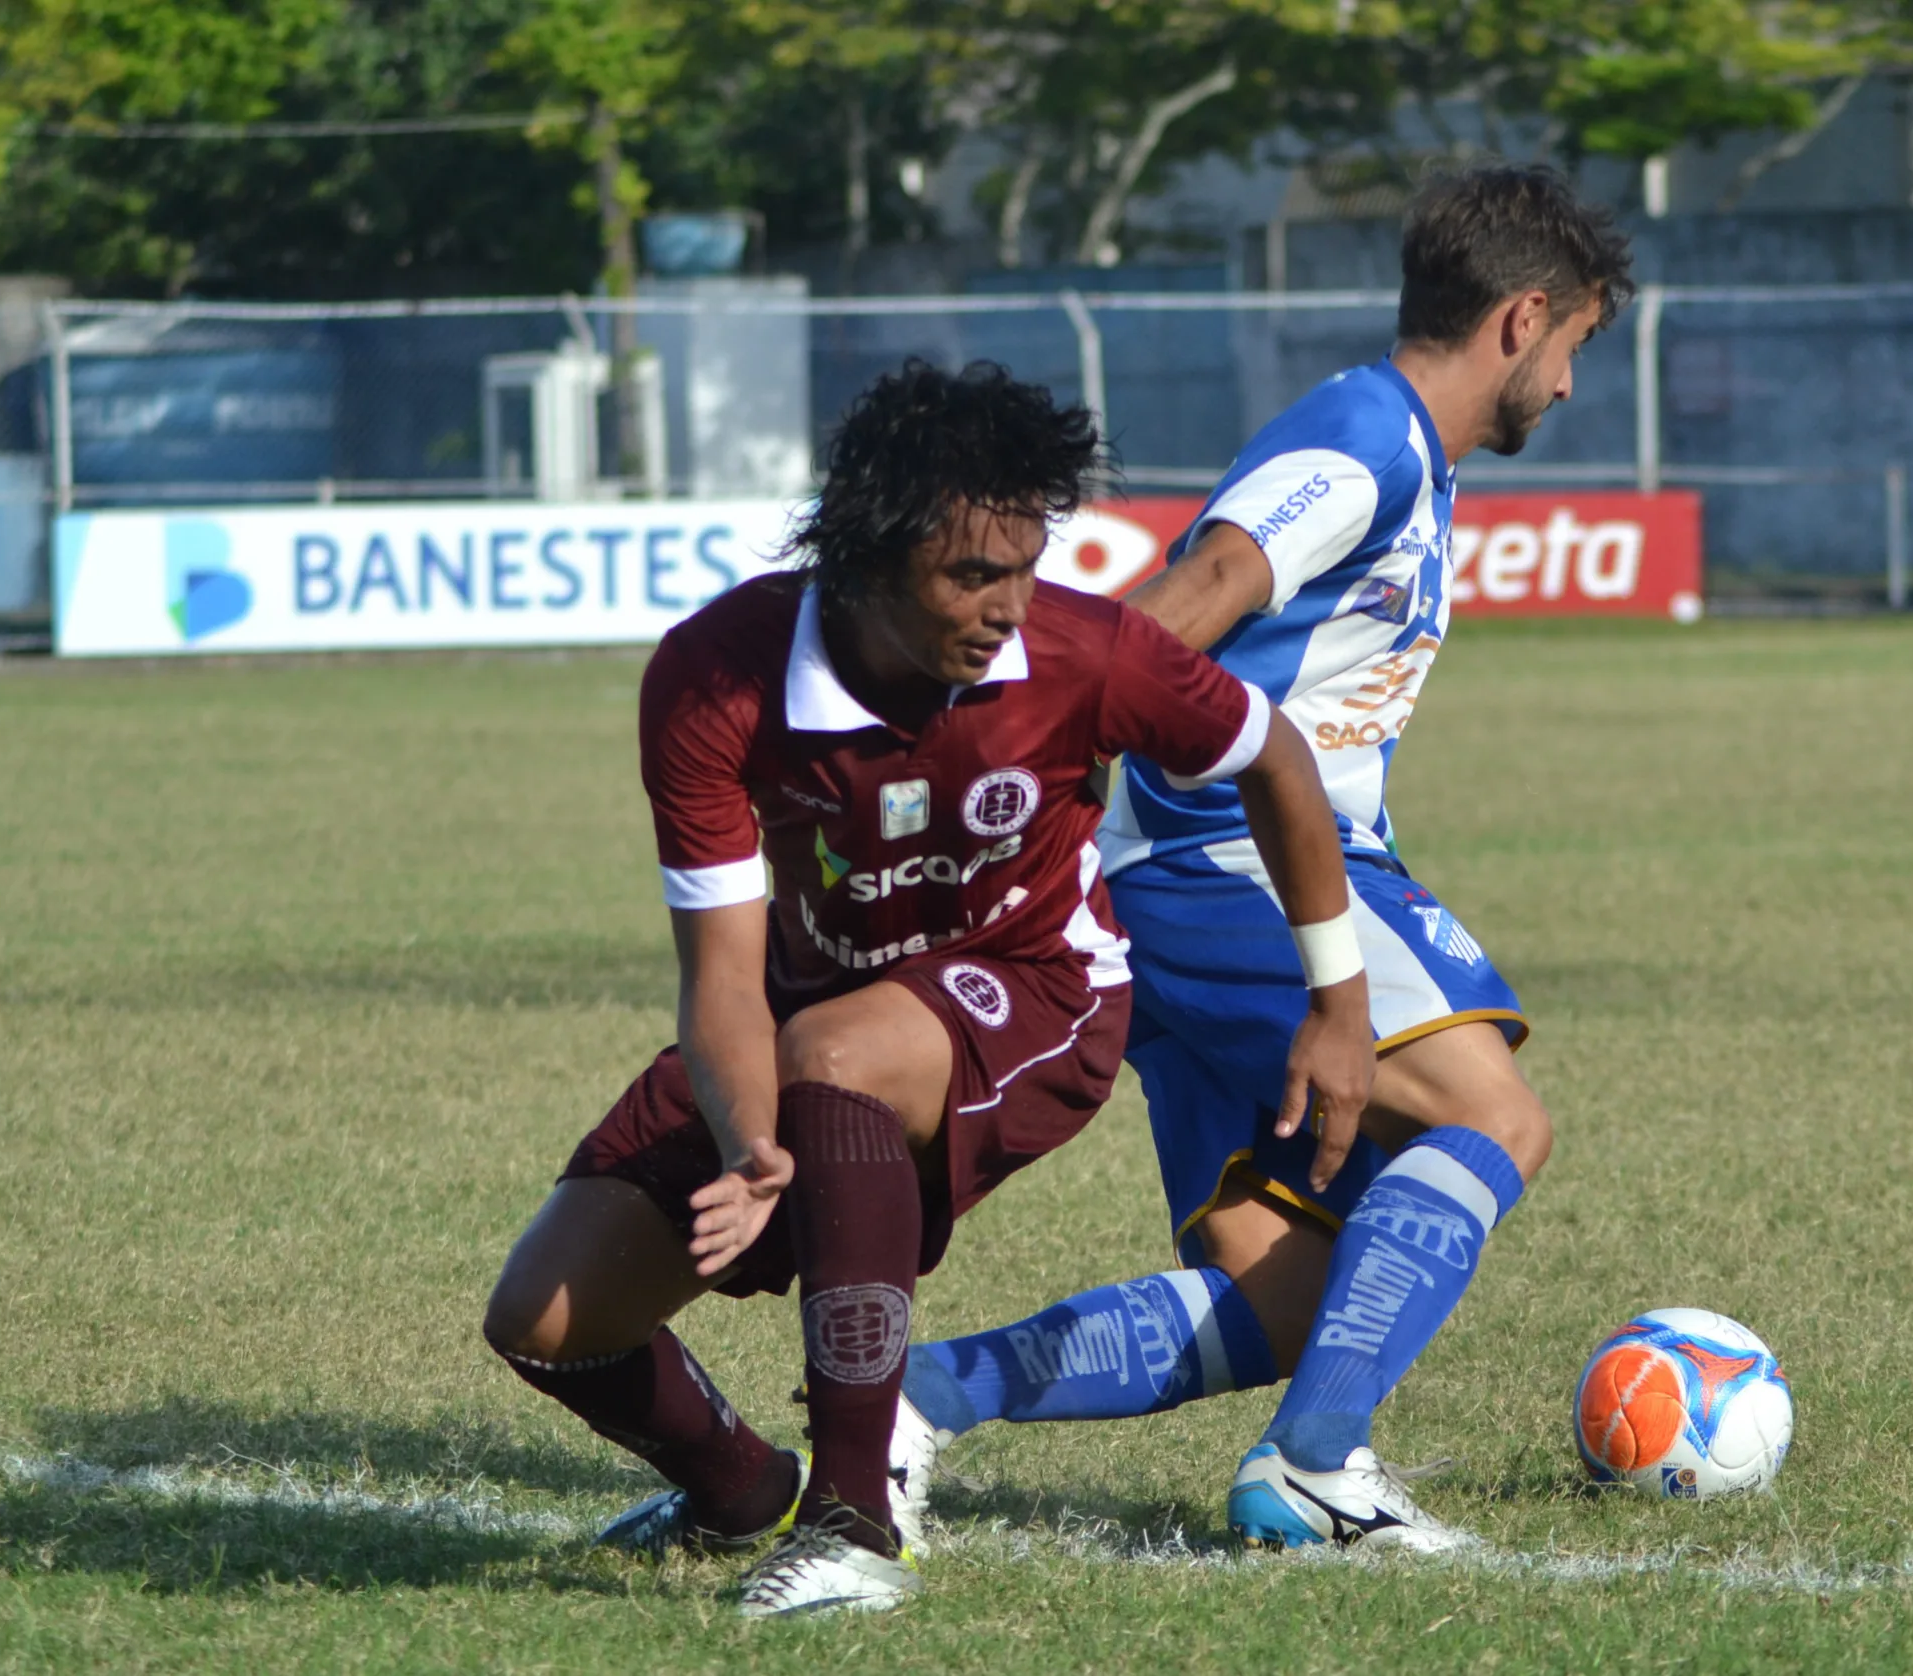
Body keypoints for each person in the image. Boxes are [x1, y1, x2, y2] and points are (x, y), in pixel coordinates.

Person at [479, 359, 1376, 1616]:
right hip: (801, 1027)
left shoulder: (1084, 651)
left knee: (835, 1054)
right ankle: (745, 1491)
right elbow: (725, 975)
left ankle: (855, 1523)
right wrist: (746, 1146)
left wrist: (1338, 1000)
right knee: (546, 1315)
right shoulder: (715, 678)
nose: (1010, 602)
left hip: (1043, 992)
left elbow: (1273, 754)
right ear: (864, 556)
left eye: (1025, 562)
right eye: (971, 574)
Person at [892, 166, 1636, 1552]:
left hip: (1174, 881)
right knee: (1497, 1118)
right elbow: (1191, 599)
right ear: (1524, 319)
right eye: (1580, 347)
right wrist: (1033, 771)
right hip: (1222, 859)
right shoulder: (1369, 440)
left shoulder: (1402, 448)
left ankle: (917, 1398)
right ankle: (1313, 1467)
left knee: (1279, 1292)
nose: (1573, 389)